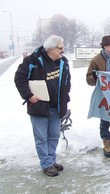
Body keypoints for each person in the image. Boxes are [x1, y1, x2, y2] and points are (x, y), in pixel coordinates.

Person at [14, 35, 71, 177]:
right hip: (38, 107)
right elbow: (19, 78)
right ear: (51, 49)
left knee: (54, 136)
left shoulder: (63, 62)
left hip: (56, 107)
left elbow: (67, 81)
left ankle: (51, 160)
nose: (63, 51)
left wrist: (65, 94)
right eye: (60, 48)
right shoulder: (32, 60)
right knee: (41, 137)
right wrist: (29, 96)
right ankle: (46, 164)